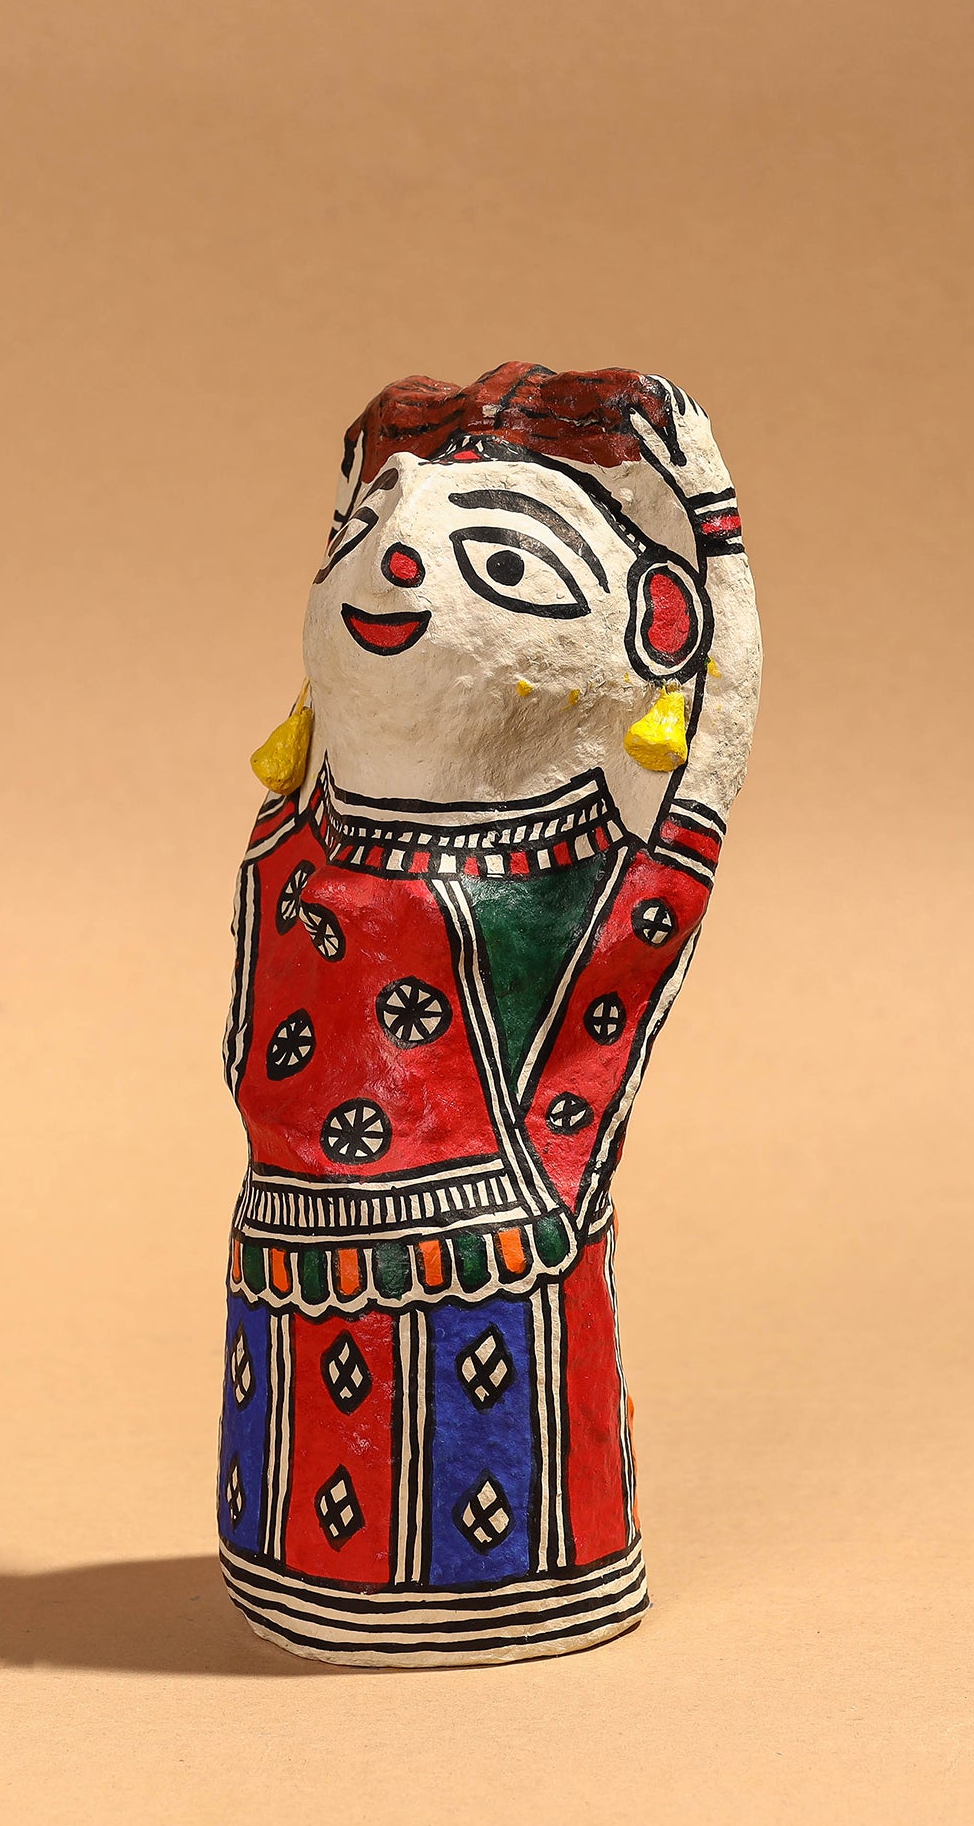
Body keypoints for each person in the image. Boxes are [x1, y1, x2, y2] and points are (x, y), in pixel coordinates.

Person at [217, 362, 762, 1665]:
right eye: (363, 538)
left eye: (504, 565)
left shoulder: (585, 864)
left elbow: (700, 786)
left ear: (655, 630)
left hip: (498, 1271)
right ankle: (305, 1582)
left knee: (491, 1463)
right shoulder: (296, 844)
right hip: (291, 1258)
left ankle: (526, 1589)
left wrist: (719, 538)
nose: (396, 568)